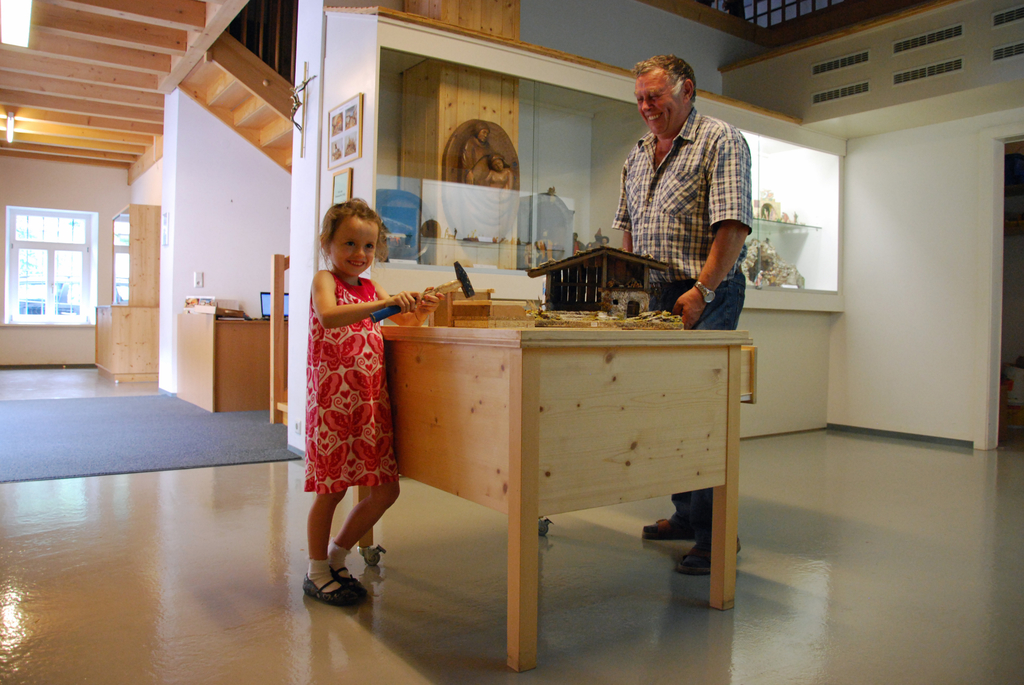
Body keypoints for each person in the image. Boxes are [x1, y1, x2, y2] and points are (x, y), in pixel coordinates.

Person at [612, 55, 752, 575]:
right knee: (666, 412)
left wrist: (702, 291)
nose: (646, 107)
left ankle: (717, 536)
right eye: (639, 99)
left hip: (705, 291)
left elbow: (733, 226)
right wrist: (627, 294)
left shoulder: (721, 140)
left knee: (704, 416)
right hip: (655, 297)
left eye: (655, 96)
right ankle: (687, 515)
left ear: (687, 90)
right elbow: (628, 231)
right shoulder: (637, 153)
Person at [304, 199, 440, 606]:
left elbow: (406, 323)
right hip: (332, 405)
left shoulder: (371, 288)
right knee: (331, 491)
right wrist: (385, 302)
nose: (359, 254)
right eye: (349, 243)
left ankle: (337, 556)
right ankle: (316, 571)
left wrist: (420, 309)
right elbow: (329, 316)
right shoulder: (325, 280)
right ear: (327, 243)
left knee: (385, 491)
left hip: (368, 405)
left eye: (368, 246)